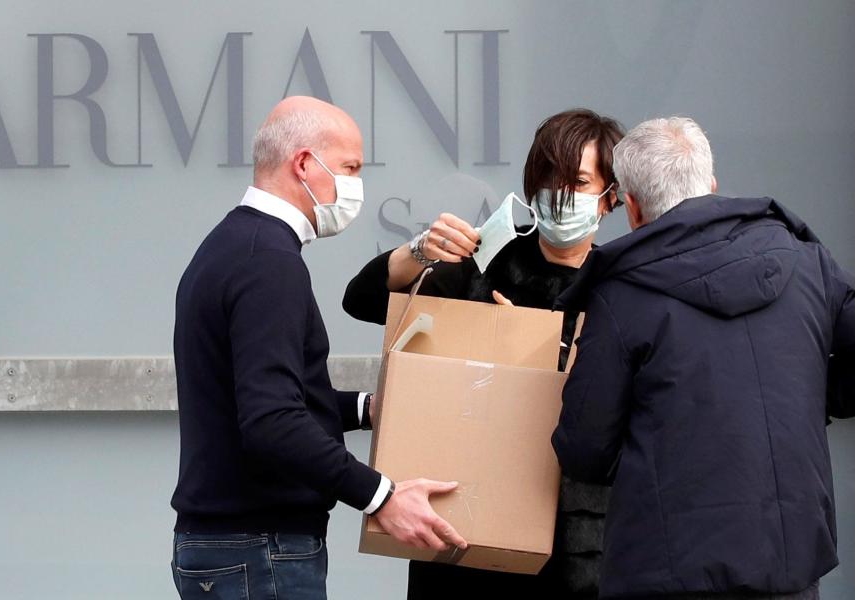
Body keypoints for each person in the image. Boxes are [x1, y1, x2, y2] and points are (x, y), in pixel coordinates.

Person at [169, 96, 467, 600]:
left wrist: (368, 408)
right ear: (304, 163)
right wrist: (381, 496)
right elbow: (271, 420)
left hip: (229, 547)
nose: (356, 186)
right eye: (350, 168)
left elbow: (262, 395)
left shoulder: (231, 245)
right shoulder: (269, 262)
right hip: (260, 549)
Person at [552, 117, 855, 599]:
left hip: (662, 573)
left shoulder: (622, 294)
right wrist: (817, 393)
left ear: (631, 208)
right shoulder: (806, 261)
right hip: (790, 567)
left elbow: (584, 449)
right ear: (711, 186)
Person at [343, 108, 625, 599]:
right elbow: (362, 299)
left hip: (578, 543)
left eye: (578, 182)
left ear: (610, 198)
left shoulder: (623, 287)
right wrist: (419, 250)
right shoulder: (485, 259)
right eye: (548, 178)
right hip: (467, 531)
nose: (559, 196)